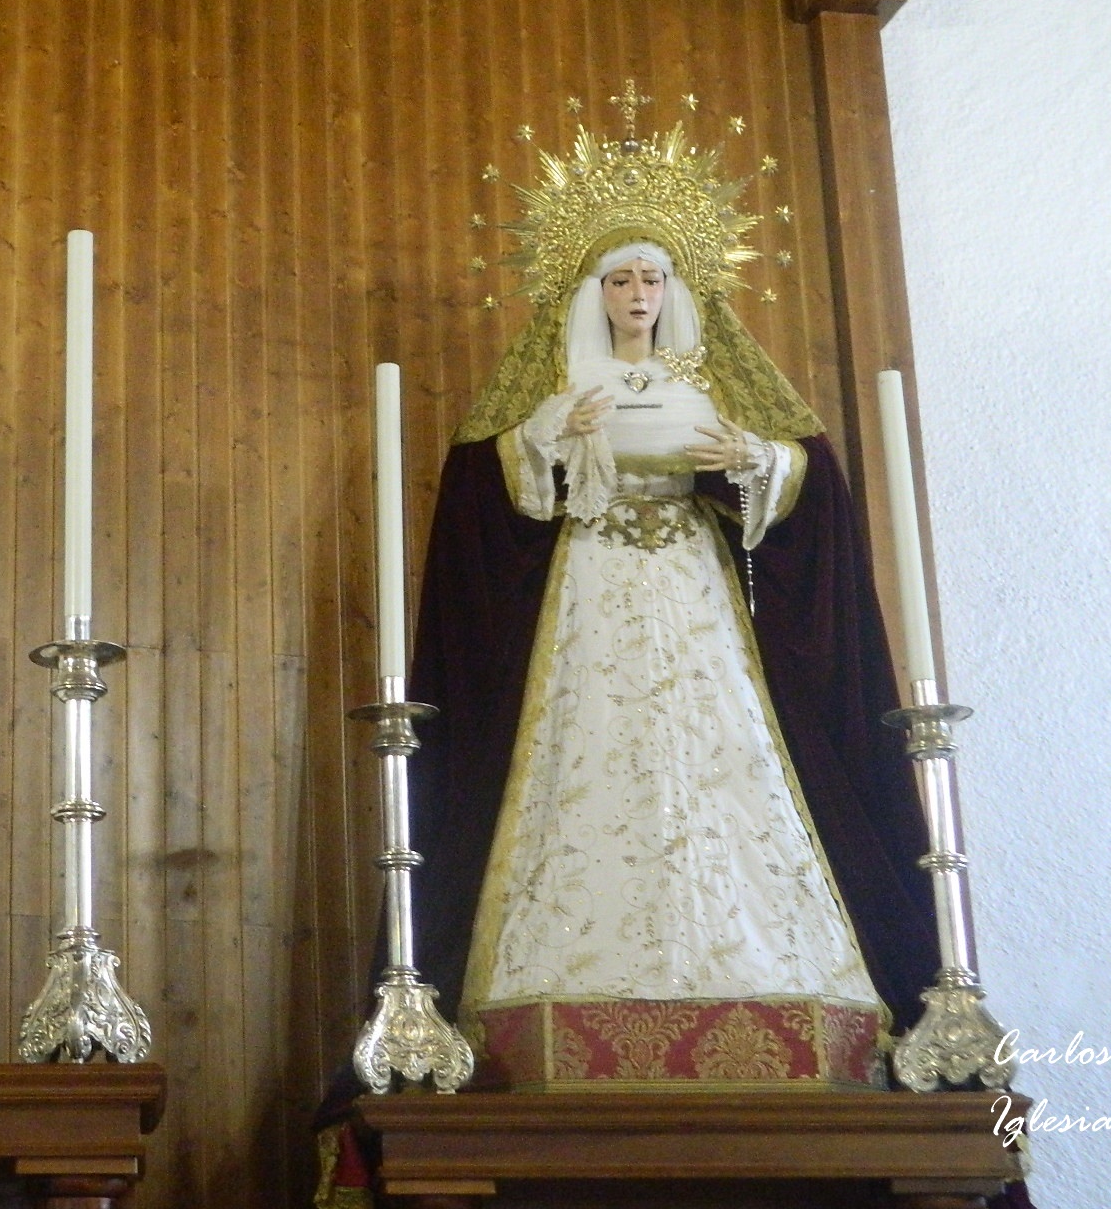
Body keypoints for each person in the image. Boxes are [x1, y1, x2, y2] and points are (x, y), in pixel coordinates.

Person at [402, 122, 938, 1082]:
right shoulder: (553, 382)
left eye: (652, 277)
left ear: (675, 288)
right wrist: (547, 439)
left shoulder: (714, 375)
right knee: (587, 740)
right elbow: (487, 486)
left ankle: (761, 963)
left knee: (722, 746)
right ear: (592, 292)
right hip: (589, 583)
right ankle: (560, 971)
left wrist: (753, 460)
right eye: (619, 279)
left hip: (694, 584)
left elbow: (807, 478)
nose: (638, 294)